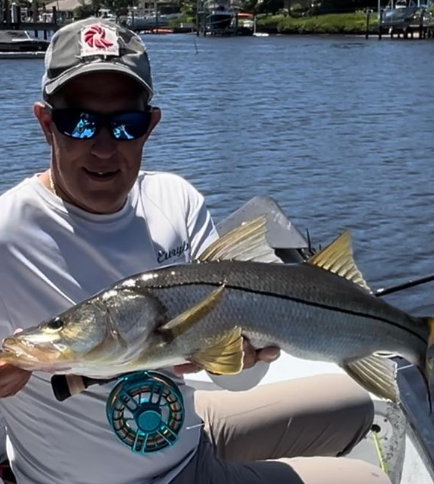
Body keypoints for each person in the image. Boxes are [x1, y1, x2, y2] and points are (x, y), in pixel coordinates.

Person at [0, 17, 392, 484]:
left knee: (353, 405)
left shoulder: (175, 199)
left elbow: (240, 376)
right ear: (46, 124)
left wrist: (242, 358)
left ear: (150, 125)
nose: (103, 147)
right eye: (79, 123)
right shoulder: (8, 232)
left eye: (125, 124)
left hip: (189, 438)